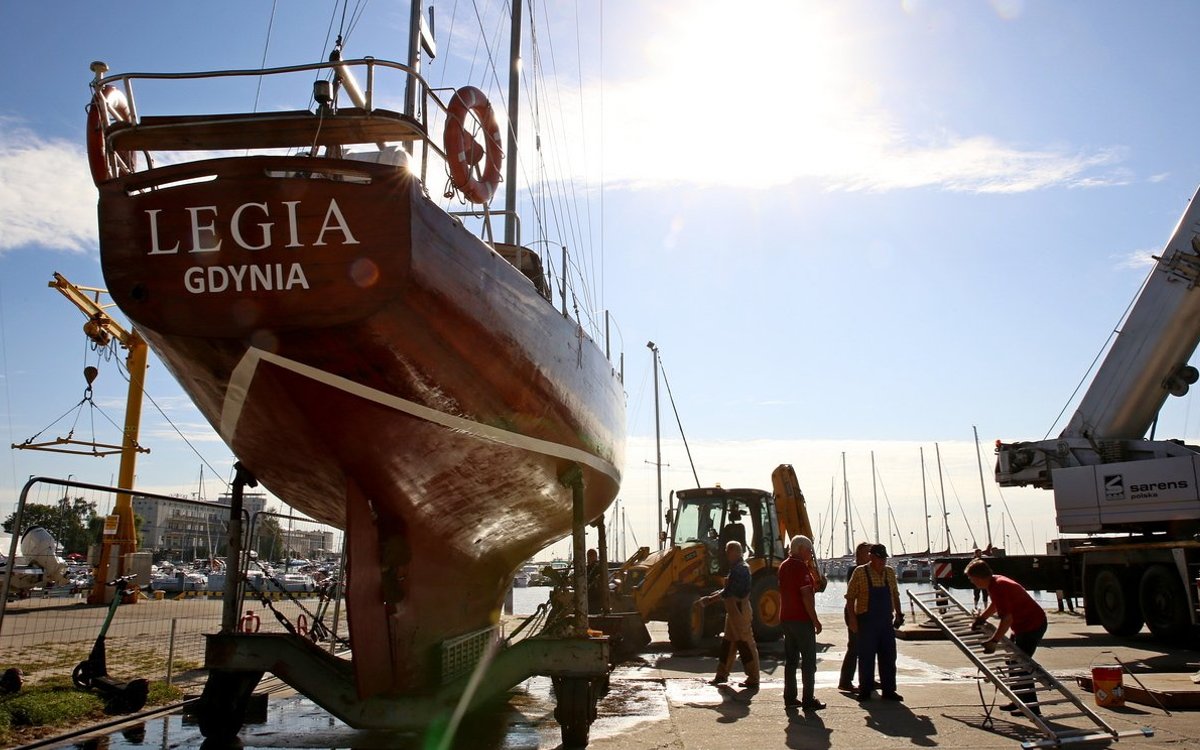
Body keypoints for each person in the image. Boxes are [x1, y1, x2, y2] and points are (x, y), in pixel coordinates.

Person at [967, 559, 1048, 714]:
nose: (972, 582)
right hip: (1022, 626)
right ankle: (1017, 700)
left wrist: (994, 641)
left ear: (978, 577)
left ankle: (1031, 708)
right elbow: (996, 605)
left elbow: (1007, 619)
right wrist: (982, 618)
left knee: (1021, 666)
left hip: (1032, 626)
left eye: (972, 579)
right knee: (1012, 662)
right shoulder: (994, 582)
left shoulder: (998, 586)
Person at [845, 543, 904, 701]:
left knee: (889, 657)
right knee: (866, 657)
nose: (882, 562)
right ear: (871, 557)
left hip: (885, 621)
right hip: (867, 621)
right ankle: (865, 691)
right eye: (879, 559)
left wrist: (898, 614)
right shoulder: (860, 572)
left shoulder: (889, 573)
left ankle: (889, 690)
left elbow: (895, 594)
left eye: (884, 559)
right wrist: (852, 619)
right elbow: (850, 597)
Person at [699, 540, 760, 688]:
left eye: (728, 551)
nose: (726, 554)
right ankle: (722, 675)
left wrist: (711, 598)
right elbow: (729, 590)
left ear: (734, 552)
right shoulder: (737, 568)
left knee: (745, 643)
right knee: (728, 643)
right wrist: (714, 596)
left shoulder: (741, 569)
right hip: (733, 611)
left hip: (739, 610)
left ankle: (753, 678)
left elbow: (732, 591)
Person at [779, 534, 824, 710]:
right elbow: (806, 596)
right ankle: (808, 698)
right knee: (808, 660)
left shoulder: (783, 566)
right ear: (800, 549)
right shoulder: (800, 568)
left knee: (790, 661)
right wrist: (815, 620)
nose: (811, 553)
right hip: (801, 619)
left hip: (786, 618)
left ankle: (790, 697)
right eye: (808, 549)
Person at [838, 541, 873, 692]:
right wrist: (852, 618)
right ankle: (845, 681)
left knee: (867, 648)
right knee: (854, 647)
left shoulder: (869, 570)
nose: (870, 556)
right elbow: (852, 595)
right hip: (854, 613)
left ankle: (867, 679)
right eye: (868, 553)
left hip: (865, 613)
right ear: (859, 555)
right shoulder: (855, 570)